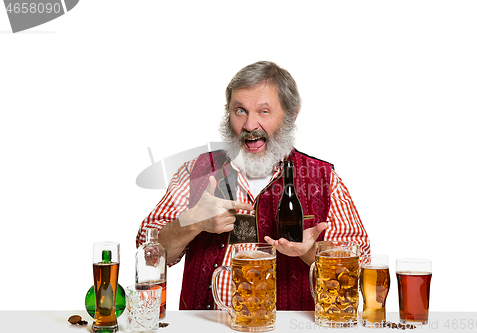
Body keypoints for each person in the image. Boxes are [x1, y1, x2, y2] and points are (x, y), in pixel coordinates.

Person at [136, 61, 370, 311]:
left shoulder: (324, 179)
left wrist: (309, 251)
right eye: (240, 111)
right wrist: (192, 223)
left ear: (291, 114)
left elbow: (360, 269)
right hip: (206, 329)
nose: (249, 126)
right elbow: (147, 255)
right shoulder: (197, 172)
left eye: (264, 112)